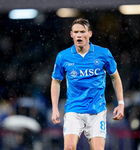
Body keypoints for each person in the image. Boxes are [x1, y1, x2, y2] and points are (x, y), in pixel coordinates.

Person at [51, 18, 124, 150]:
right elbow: (55, 81)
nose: (79, 35)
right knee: (68, 147)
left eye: (82, 31)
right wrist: (55, 108)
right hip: (74, 109)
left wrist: (121, 103)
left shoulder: (103, 54)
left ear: (89, 34)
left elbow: (115, 77)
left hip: (97, 111)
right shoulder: (63, 56)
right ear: (71, 34)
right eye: (76, 32)